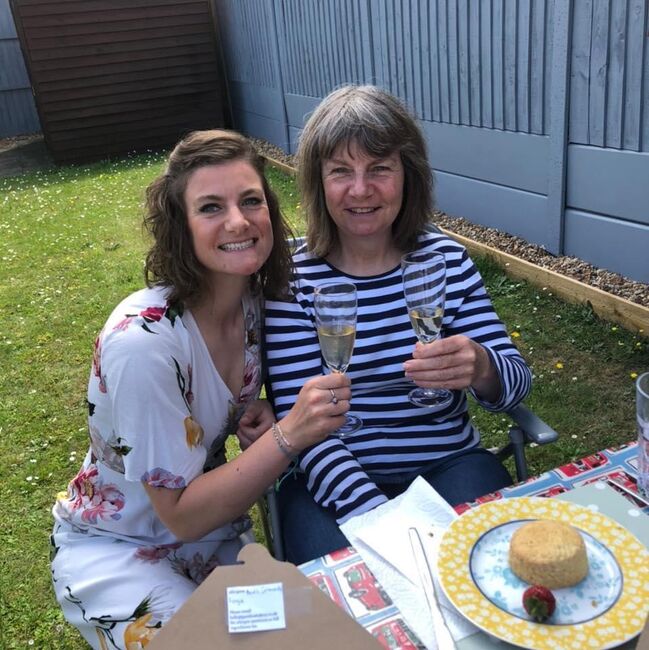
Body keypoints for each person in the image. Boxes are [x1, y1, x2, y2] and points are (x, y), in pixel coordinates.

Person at [50, 130, 351, 649]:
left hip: (215, 536)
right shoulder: (142, 342)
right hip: (120, 548)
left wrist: (255, 405)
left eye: (251, 201)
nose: (238, 221)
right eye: (211, 207)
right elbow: (180, 515)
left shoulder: (255, 305)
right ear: (180, 228)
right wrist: (289, 434)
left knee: (308, 635)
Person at [265, 85, 532, 565]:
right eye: (341, 172)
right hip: (329, 481)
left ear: (409, 176)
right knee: (349, 614)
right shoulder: (291, 280)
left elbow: (514, 387)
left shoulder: (445, 261)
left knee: (485, 577)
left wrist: (483, 368)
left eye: (380, 169)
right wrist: (386, 521)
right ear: (317, 182)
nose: (361, 189)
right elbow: (302, 428)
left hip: (448, 464)